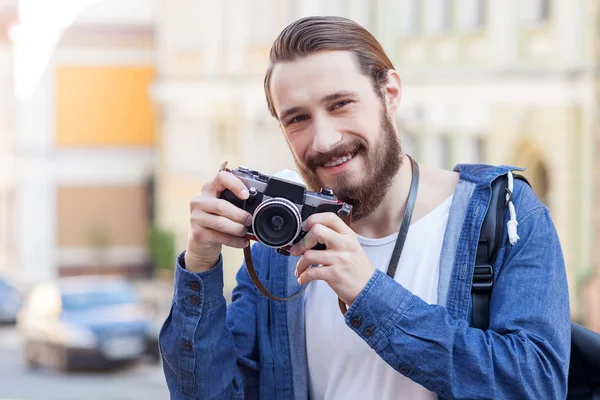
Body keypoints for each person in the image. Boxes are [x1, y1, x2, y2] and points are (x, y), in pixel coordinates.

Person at [159, 16, 570, 400]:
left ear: (389, 93)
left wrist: (369, 294)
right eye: (297, 119)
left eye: (340, 104)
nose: (323, 140)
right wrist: (199, 262)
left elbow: (537, 384)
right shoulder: (280, 247)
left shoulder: (503, 214)